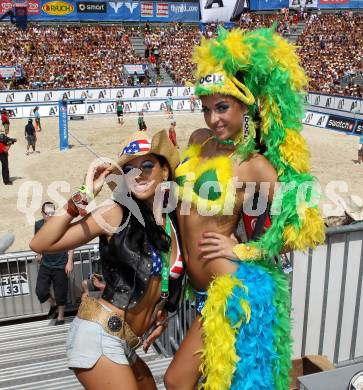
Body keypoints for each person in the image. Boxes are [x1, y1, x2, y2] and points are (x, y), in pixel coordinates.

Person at [164, 27, 325, 389]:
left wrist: (244, 249)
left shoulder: (251, 164)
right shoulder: (197, 141)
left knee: (177, 380)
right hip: (203, 292)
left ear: (245, 108)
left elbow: (304, 222)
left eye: (222, 108)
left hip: (235, 290)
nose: (213, 119)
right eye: (206, 109)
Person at [30, 130, 184, 390]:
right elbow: (41, 243)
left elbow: (165, 278)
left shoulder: (172, 220)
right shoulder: (116, 213)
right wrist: (84, 195)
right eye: (129, 169)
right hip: (99, 335)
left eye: (147, 165)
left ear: (165, 171)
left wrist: (164, 311)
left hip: (126, 341)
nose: (139, 173)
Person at [34, 202, 74, 325]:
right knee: (40, 291)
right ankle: (53, 304)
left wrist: (70, 261)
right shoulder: (38, 224)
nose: (50, 216)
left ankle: (60, 317)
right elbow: (37, 240)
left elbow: (71, 242)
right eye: (48, 213)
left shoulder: (62, 224)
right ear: (42, 213)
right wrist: (39, 253)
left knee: (61, 292)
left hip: (61, 264)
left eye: (53, 213)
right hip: (45, 264)